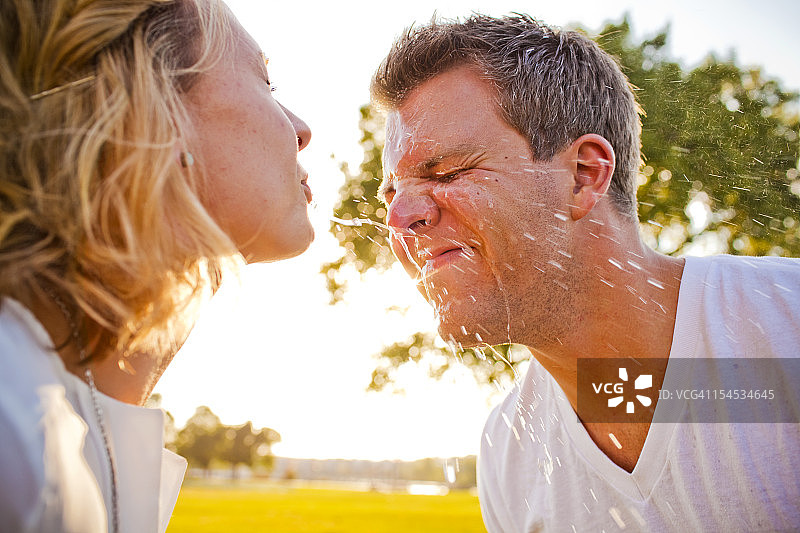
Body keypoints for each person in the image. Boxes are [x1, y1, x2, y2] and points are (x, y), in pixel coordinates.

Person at [371, 14, 800, 532]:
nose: (398, 219)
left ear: (582, 176)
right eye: (390, 193)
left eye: (447, 171)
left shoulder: (785, 330)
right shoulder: (510, 452)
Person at [0, 1, 314, 531]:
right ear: (155, 106)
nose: (301, 129)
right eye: (266, 82)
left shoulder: (50, 393)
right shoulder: (18, 422)